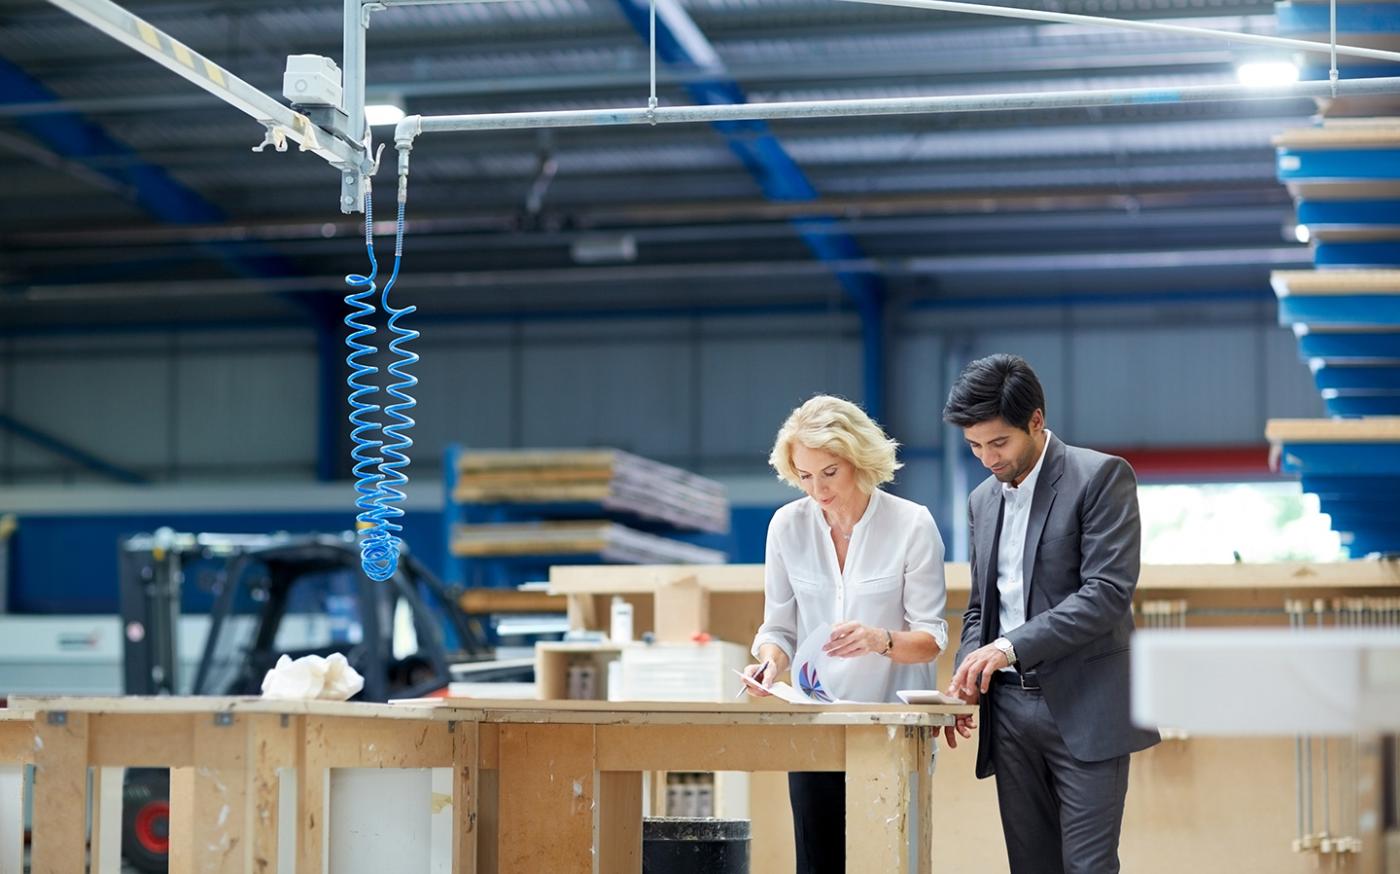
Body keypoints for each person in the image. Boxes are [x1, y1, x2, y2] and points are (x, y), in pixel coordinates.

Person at [940, 354, 1159, 874]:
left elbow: (1106, 593)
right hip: (1010, 712)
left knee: (1087, 867)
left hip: (1086, 706)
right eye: (974, 446)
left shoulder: (1100, 477)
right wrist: (970, 665)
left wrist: (1008, 646)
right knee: (1030, 866)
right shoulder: (980, 502)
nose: (987, 458)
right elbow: (980, 609)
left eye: (999, 442)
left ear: (1035, 420)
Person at [744, 394, 948, 874]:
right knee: (817, 865)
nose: (817, 489)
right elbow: (778, 626)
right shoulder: (786, 528)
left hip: (893, 728)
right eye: (804, 475)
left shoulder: (911, 524)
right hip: (814, 725)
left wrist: (880, 639)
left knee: (890, 861)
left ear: (858, 459)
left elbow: (932, 637)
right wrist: (771, 662)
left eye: (829, 473)